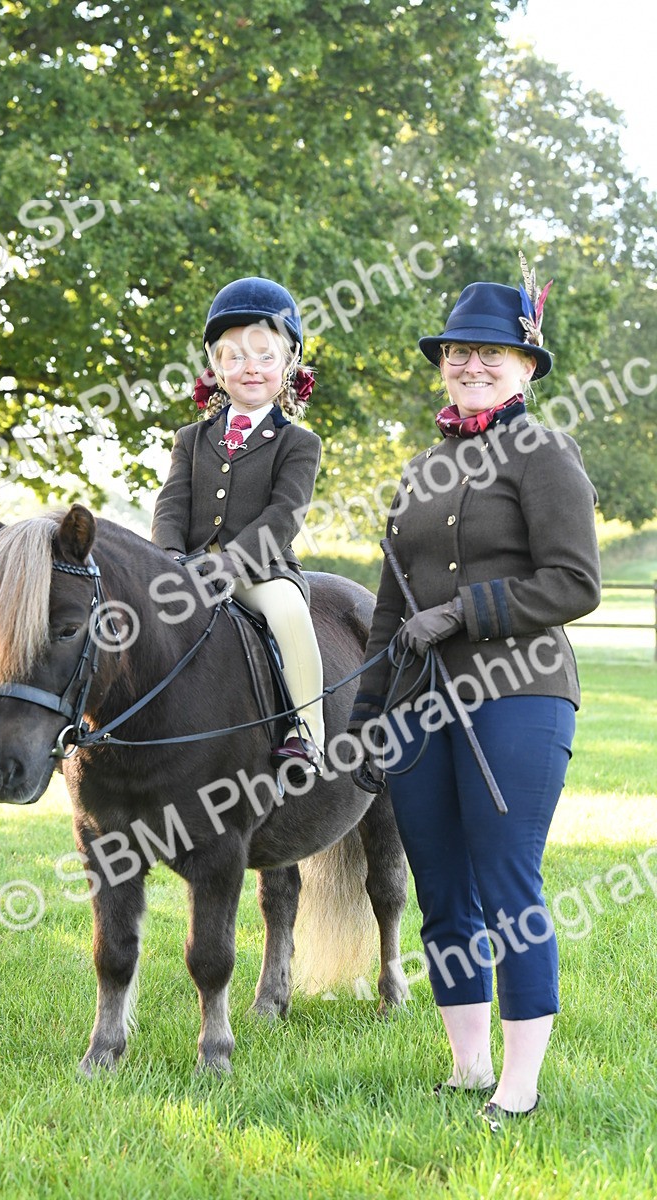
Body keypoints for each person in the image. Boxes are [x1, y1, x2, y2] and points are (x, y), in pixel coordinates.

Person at [348, 256, 601, 1129]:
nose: (473, 364)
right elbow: (389, 610)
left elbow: (575, 583)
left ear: (527, 364)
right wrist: (363, 715)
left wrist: (465, 612)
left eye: (492, 352)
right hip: (420, 706)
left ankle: (520, 1087)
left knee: (506, 882)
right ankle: (466, 1069)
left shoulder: (545, 451)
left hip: (520, 694)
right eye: (458, 351)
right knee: (442, 886)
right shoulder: (418, 470)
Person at [152, 276, 325, 775]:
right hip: (184, 563)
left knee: (288, 613)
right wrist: (166, 558)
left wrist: (228, 566)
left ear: (287, 363)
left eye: (265, 356)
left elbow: (283, 516)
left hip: (260, 570)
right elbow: (171, 504)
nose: (250, 368)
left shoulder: (299, 443)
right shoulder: (191, 437)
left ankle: (305, 733)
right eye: (235, 357)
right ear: (216, 366)